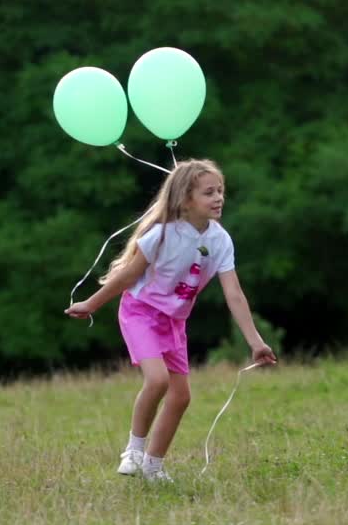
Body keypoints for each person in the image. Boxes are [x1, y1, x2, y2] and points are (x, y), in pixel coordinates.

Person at [66, 159, 277, 482]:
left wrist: (255, 341)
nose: (218, 197)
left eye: (221, 190)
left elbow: (234, 293)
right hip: (140, 312)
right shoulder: (161, 236)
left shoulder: (220, 241)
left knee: (181, 396)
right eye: (209, 192)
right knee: (158, 381)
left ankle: (153, 466)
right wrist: (91, 304)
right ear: (185, 198)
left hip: (173, 322)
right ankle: (134, 451)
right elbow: (127, 278)